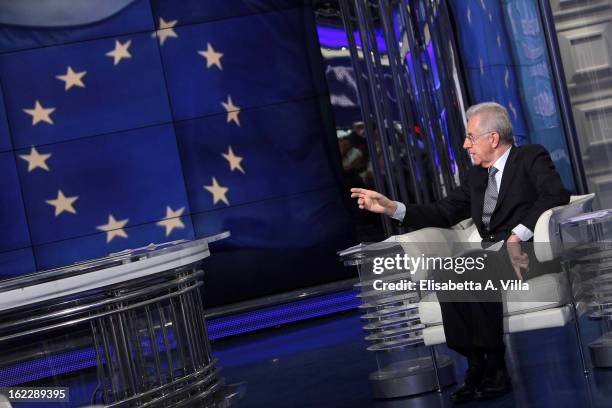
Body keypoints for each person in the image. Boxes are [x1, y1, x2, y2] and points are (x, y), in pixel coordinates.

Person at [350, 102, 570, 403]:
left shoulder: (529, 157)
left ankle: (496, 367)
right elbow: (442, 212)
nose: (465, 145)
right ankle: (475, 363)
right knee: (444, 271)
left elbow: (555, 194)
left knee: (476, 265)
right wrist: (392, 208)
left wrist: (518, 235)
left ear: (492, 138)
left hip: (528, 253)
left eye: (470, 137)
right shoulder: (476, 177)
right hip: (488, 257)